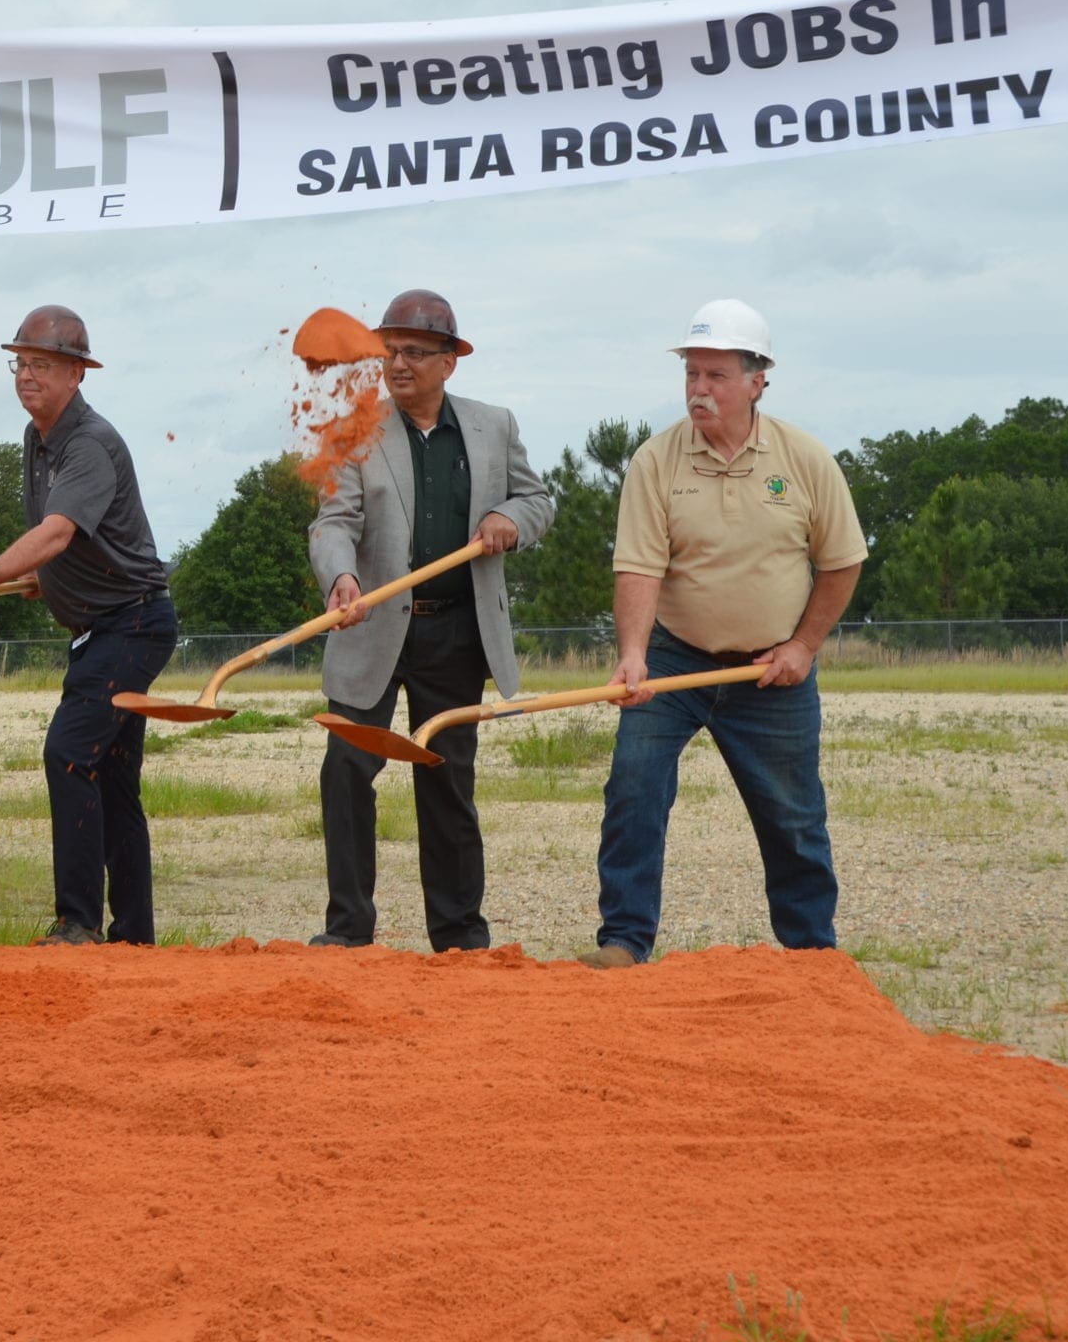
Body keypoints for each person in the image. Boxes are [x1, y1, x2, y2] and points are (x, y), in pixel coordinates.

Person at [584, 299, 866, 968]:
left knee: (793, 816)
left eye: (715, 376)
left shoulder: (803, 458)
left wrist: (801, 647)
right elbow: (639, 566)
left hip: (773, 672)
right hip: (674, 662)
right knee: (633, 787)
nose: (699, 390)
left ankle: (812, 956)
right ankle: (623, 941)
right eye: (691, 375)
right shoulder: (656, 462)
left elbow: (842, 560)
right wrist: (632, 656)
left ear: (757, 379)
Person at [307, 290, 555, 951]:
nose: (398, 364)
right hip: (372, 627)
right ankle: (348, 929)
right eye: (389, 351)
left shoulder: (493, 427)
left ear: (451, 361)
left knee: (447, 778)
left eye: (415, 352)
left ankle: (458, 933)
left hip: (456, 631)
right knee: (347, 771)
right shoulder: (354, 431)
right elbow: (333, 522)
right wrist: (341, 577)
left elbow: (535, 499)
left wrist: (510, 520)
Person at [0, 306, 176, 946]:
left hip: (132, 625)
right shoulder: (36, 438)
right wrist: (41, 581)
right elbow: (70, 547)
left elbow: (58, 530)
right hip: (106, 625)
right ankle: (133, 936)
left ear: (77, 373)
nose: (27, 375)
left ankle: (76, 923)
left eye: (42, 364)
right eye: (21, 363)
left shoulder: (89, 443)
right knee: (113, 779)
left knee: (68, 754)